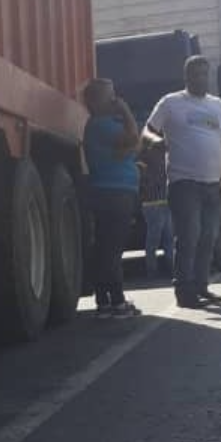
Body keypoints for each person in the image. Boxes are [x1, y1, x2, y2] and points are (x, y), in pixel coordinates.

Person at [144, 55, 221, 308]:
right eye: (196, 74)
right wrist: (155, 141)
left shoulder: (217, 106)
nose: (202, 79)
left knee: (209, 236)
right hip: (184, 182)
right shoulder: (171, 103)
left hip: (212, 183)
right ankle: (184, 291)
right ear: (187, 77)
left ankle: (202, 286)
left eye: (205, 74)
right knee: (189, 235)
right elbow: (147, 131)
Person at [82, 78, 143, 319]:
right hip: (116, 192)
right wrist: (127, 112)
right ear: (96, 102)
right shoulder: (102, 125)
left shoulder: (97, 126)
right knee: (112, 250)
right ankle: (117, 301)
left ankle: (104, 301)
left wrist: (129, 148)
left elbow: (127, 149)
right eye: (111, 96)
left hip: (105, 190)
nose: (115, 100)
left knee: (104, 247)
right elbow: (133, 140)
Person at [138, 138, 174, 279]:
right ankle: (152, 270)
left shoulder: (163, 156)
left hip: (163, 201)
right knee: (156, 238)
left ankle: (168, 268)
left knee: (167, 238)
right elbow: (142, 178)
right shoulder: (146, 157)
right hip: (152, 203)